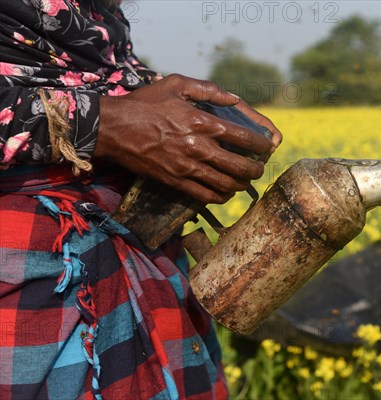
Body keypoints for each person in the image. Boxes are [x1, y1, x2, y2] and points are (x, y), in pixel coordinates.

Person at [0, 0, 282, 398]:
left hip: (141, 249)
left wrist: (186, 108)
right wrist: (107, 124)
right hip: (40, 263)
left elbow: (90, 64)